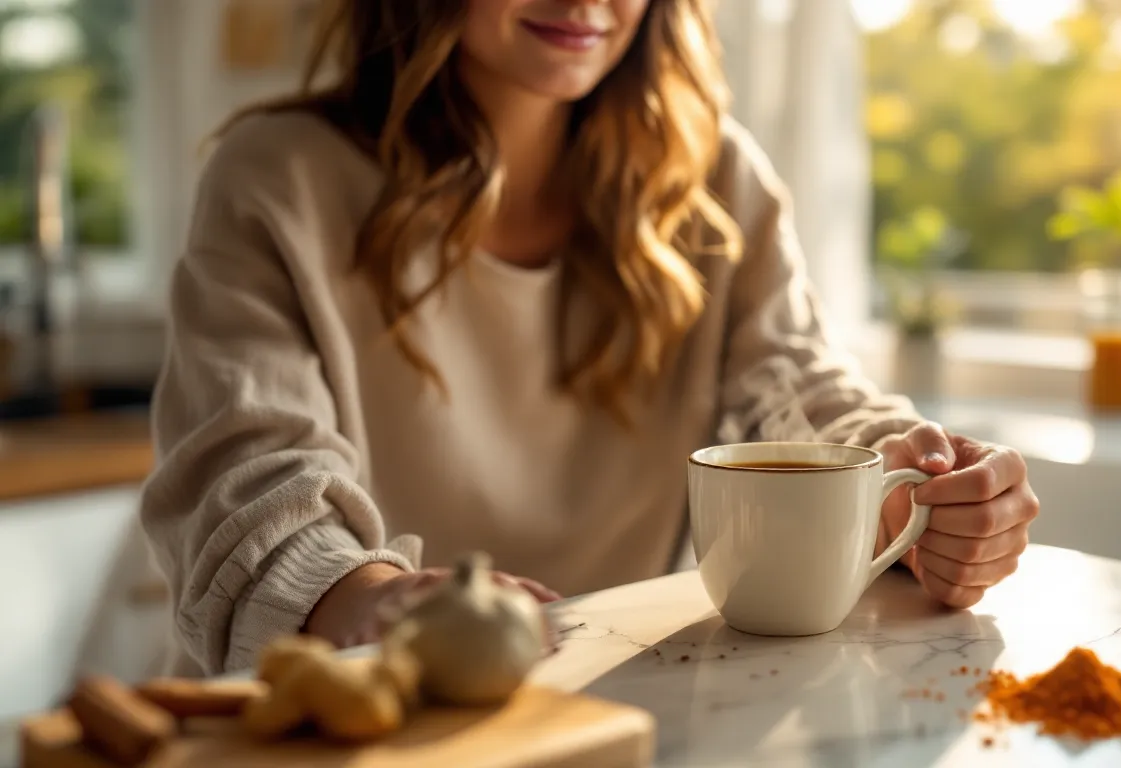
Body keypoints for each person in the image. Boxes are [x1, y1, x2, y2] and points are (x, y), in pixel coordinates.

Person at [141, 0, 1039, 677]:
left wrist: (904, 492)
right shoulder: (277, 177)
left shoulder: (717, 179)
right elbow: (248, 474)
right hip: (345, 726)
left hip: (618, 713)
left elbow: (798, 391)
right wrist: (372, 602)